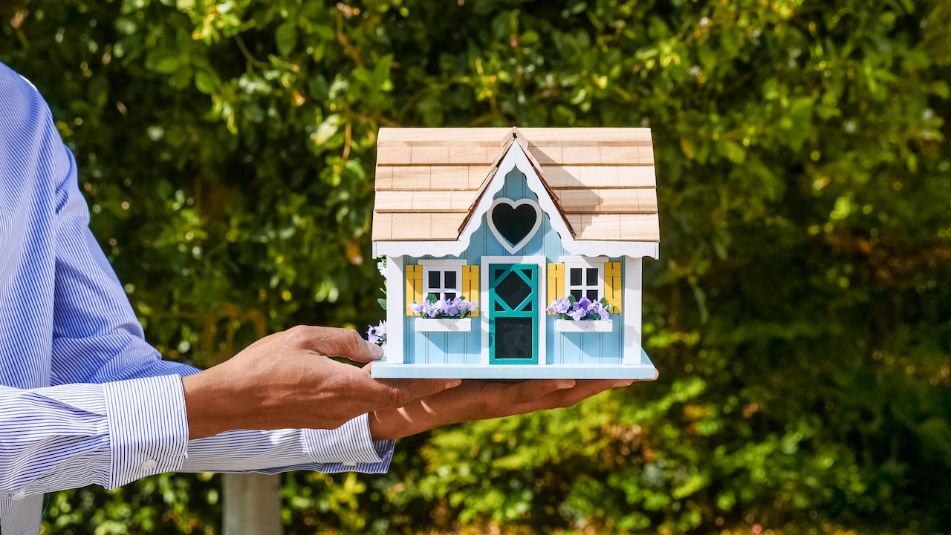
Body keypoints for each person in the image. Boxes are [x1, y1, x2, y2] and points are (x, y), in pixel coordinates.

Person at [0, 61, 636, 533]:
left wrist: (381, 410)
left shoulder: (19, 116)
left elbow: (109, 383)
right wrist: (224, 398)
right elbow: (166, 409)